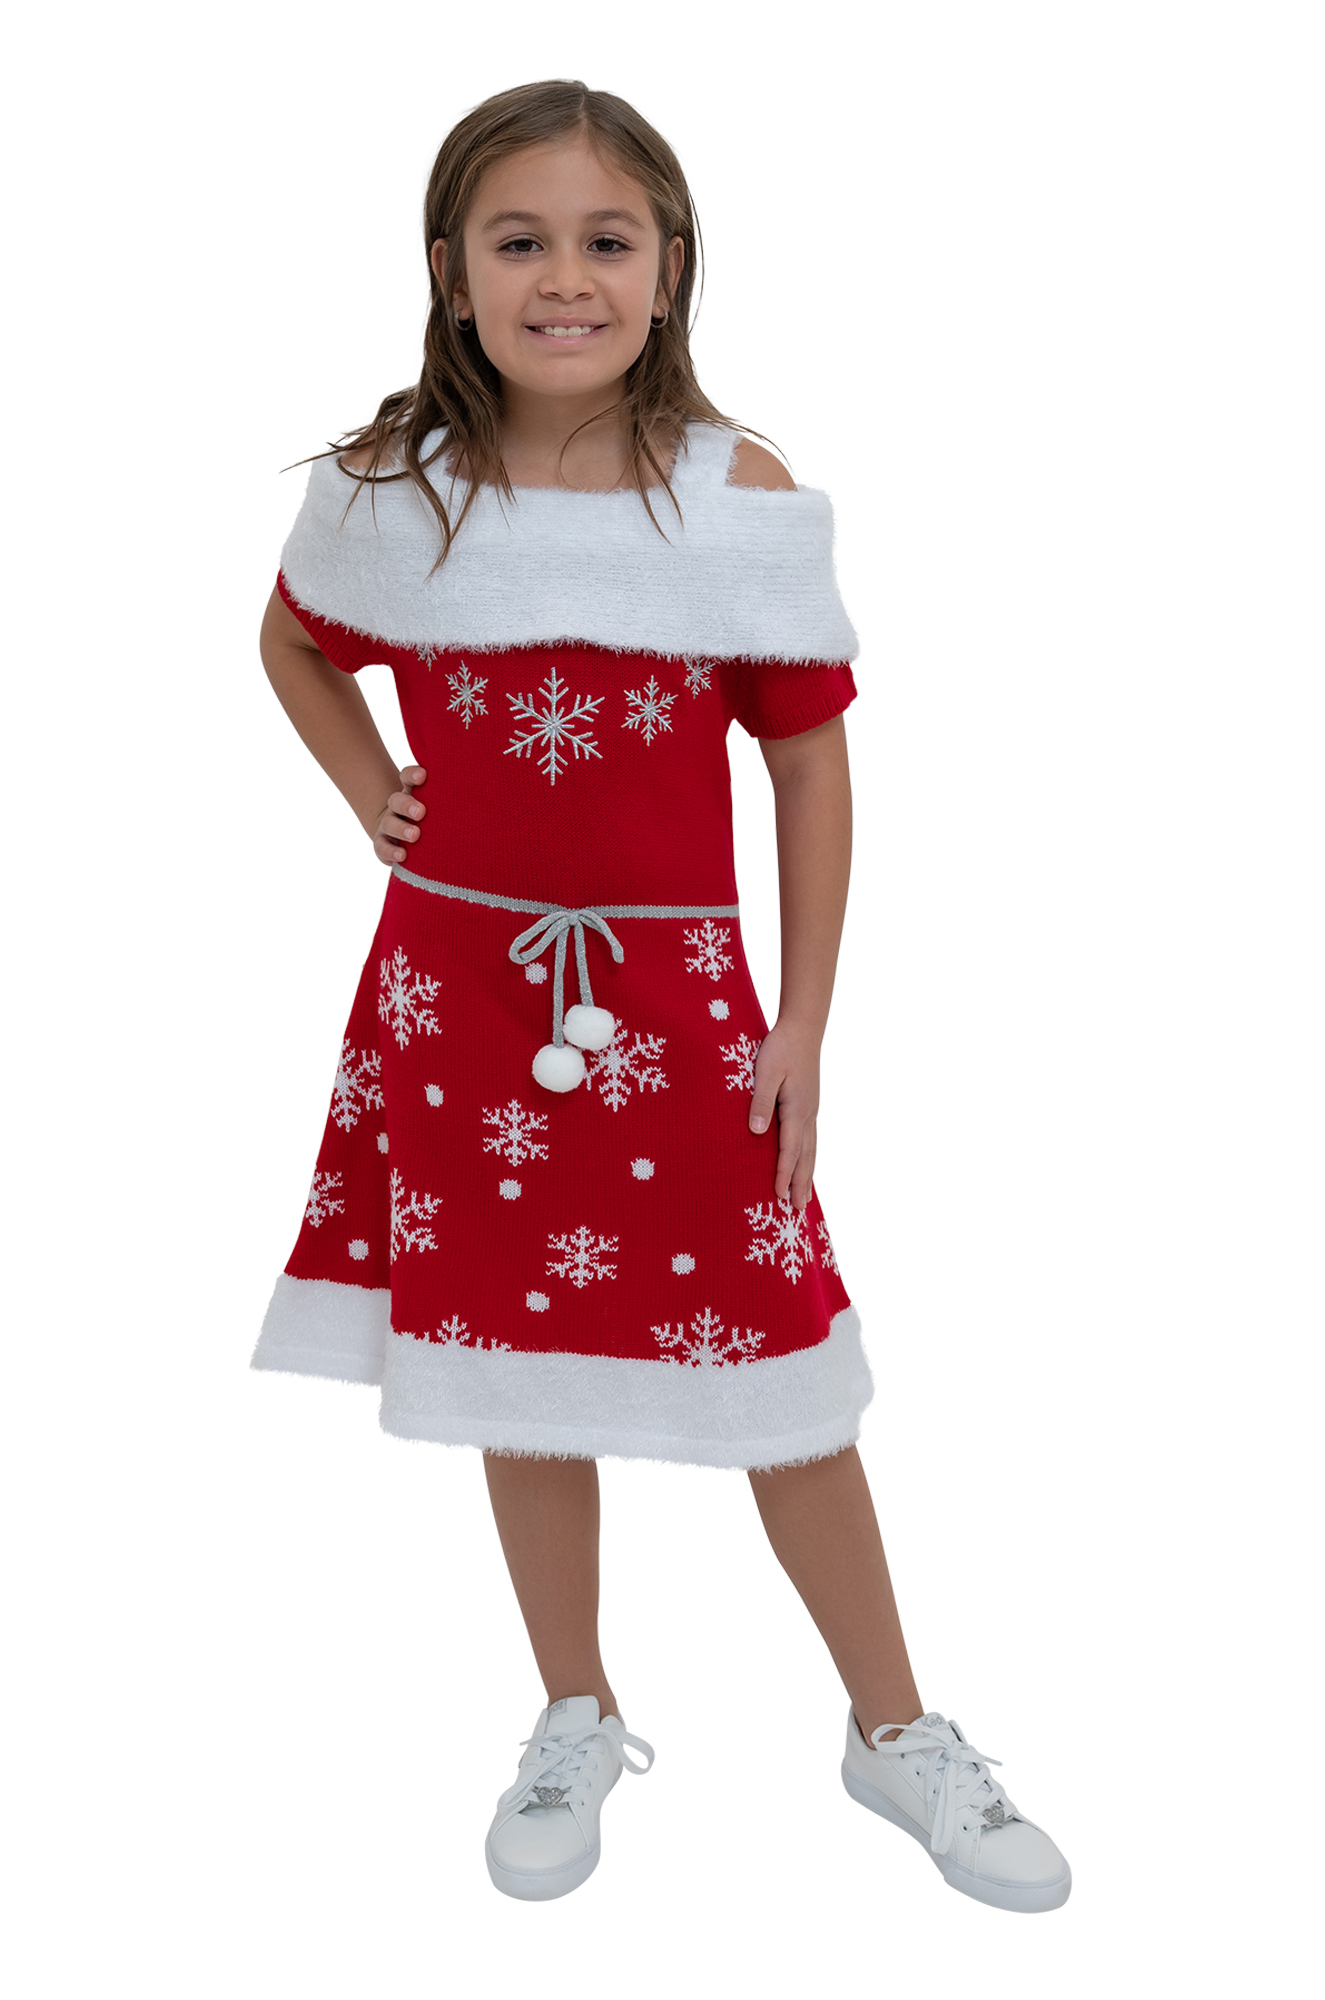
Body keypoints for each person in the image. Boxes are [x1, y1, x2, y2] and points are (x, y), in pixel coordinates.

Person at [250, 79, 1070, 1914]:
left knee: (783, 1369)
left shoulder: (731, 497)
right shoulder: (397, 496)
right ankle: (575, 1706)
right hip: (458, 999)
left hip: (679, 1008)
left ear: (671, 266)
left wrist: (803, 1022)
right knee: (512, 1359)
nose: (565, 278)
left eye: (605, 241)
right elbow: (292, 641)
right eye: (518, 242)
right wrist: (369, 789)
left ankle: (896, 1729)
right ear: (451, 272)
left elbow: (809, 765)